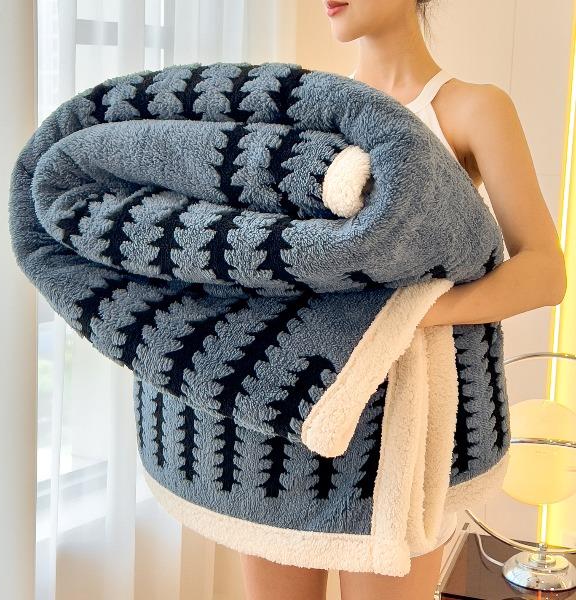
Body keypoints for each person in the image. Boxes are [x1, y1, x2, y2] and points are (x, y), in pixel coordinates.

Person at [238, 0, 567, 599]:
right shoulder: (309, 109)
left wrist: (410, 316)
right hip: (291, 421)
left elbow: (544, 272)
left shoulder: (471, 108)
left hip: (400, 440)